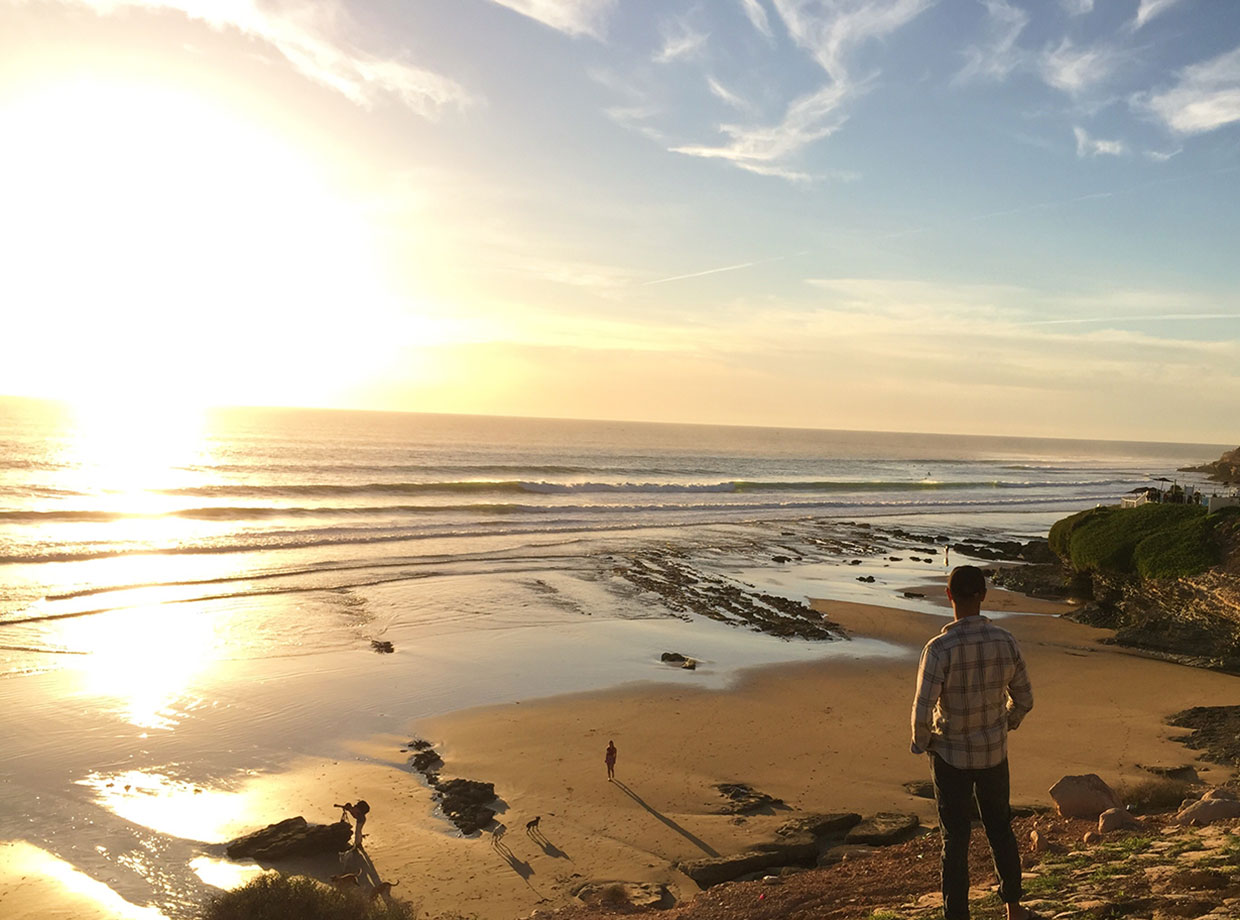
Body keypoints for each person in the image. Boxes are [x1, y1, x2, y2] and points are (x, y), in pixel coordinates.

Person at [910, 566, 1037, 920]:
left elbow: (920, 712)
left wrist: (925, 743)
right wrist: (1005, 723)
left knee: (955, 840)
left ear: (948, 596)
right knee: (1000, 829)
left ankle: (958, 915)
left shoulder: (938, 649)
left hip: (950, 756)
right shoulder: (1005, 641)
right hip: (994, 753)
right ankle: (1013, 907)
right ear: (983, 595)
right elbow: (1025, 698)